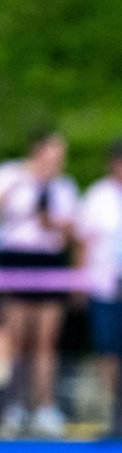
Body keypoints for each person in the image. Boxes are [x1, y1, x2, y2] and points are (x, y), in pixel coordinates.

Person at [0, 130, 77, 438]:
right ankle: (12, 406)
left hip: (48, 260)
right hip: (14, 258)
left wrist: (56, 221)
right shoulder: (9, 174)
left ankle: (44, 406)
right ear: (39, 150)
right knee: (15, 336)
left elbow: (70, 229)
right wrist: (23, 182)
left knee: (45, 340)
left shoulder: (63, 186)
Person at [75, 139, 122, 436]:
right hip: (105, 283)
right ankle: (113, 413)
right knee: (108, 349)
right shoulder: (97, 196)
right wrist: (80, 282)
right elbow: (84, 242)